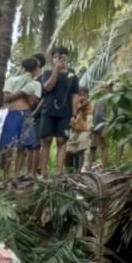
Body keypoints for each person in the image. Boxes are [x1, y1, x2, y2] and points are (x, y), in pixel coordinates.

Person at [37, 46, 79, 175]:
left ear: (67, 58)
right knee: (46, 140)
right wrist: (56, 69)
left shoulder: (73, 76)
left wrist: (74, 114)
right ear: (52, 59)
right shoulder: (47, 73)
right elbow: (48, 87)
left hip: (65, 113)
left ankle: (59, 173)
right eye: (56, 57)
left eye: (61, 57)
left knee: (62, 140)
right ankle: (43, 172)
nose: (58, 59)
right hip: (48, 111)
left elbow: (75, 96)